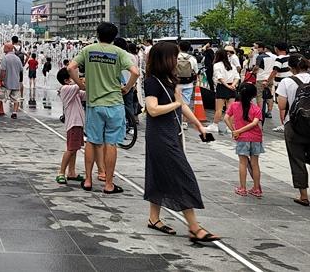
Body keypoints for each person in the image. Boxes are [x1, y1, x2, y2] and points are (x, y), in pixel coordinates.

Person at [143, 41, 219, 242]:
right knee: (182, 177)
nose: (177, 61)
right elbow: (152, 109)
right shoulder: (152, 81)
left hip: (172, 133)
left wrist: (199, 125)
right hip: (159, 136)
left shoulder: (170, 79)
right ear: (165, 59)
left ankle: (153, 218)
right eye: (174, 58)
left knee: (158, 174)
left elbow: (182, 106)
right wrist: (175, 103)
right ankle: (194, 227)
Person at [67, 22, 139, 194]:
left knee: (92, 141)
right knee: (111, 143)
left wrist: (80, 85)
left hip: (94, 103)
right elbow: (135, 72)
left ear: (97, 34)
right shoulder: (119, 52)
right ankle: (108, 184)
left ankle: (88, 180)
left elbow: (70, 67)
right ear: (114, 37)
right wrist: (127, 87)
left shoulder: (88, 50)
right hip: (114, 103)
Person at [275, 54, 310, 207]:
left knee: (297, 159)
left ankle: (303, 195)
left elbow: (282, 106)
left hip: (294, 124)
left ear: (290, 67)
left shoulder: (286, 81)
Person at [225, 83, 263, 197]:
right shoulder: (256, 109)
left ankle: (242, 188)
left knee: (243, 163)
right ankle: (256, 189)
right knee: (255, 163)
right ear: (254, 96)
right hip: (256, 137)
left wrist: (235, 131)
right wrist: (237, 131)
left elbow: (226, 118)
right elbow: (255, 123)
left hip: (242, 138)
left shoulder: (234, 106)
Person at [56, 68, 85, 185]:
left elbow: (85, 94)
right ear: (67, 80)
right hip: (73, 123)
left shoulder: (73, 90)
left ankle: (71, 172)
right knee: (71, 149)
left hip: (77, 123)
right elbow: (81, 85)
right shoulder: (66, 89)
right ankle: (61, 172)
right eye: (73, 76)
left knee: (75, 149)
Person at [206, 49, 239, 134]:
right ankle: (229, 127)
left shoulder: (217, 65)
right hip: (232, 87)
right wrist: (232, 85)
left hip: (222, 87)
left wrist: (227, 86)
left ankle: (215, 125)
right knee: (230, 109)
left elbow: (219, 77)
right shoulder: (231, 65)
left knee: (219, 109)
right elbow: (237, 77)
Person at [176, 41, 199, 129]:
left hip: (177, 84)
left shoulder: (175, 57)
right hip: (188, 83)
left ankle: (177, 120)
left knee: (176, 102)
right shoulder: (192, 59)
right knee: (186, 103)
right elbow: (196, 71)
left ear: (179, 47)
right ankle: (184, 123)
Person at [272, 42, 291, 132]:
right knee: (290, 105)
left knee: (282, 106)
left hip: (280, 84)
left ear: (277, 48)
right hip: (291, 83)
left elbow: (275, 71)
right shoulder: (289, 57)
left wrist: (267, 81)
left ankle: (283, 125)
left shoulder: (279, 58)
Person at [0, 43, 22, 119]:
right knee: (16, 99)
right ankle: (14, 112)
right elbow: (21, 69)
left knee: (1, 97)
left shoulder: (5, 58)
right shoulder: (17, 58)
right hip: (16, 82)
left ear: (8, 48)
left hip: (7, 82)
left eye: (4, 47)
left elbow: (3, 71)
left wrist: (1, 80)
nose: (3, 49)